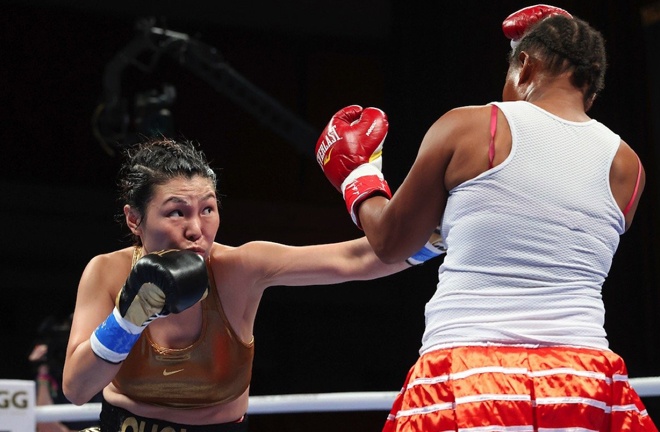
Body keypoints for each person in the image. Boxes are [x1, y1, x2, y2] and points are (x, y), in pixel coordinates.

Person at [315, 4, 657, 431]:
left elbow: (388, 244)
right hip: (584, 382)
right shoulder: (629, 167)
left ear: (526, 65)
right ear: (590, 85)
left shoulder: (473, 127)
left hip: (470, 372)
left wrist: (357, 176)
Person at [62, 136, 427, 432]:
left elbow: (359, 259)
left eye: (207, 209)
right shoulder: (107, 272)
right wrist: (129, 318)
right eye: (176, 212)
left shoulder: (239, 268)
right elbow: (77, 390)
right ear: (134, 219)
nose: (196, 229)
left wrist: (447, 231)